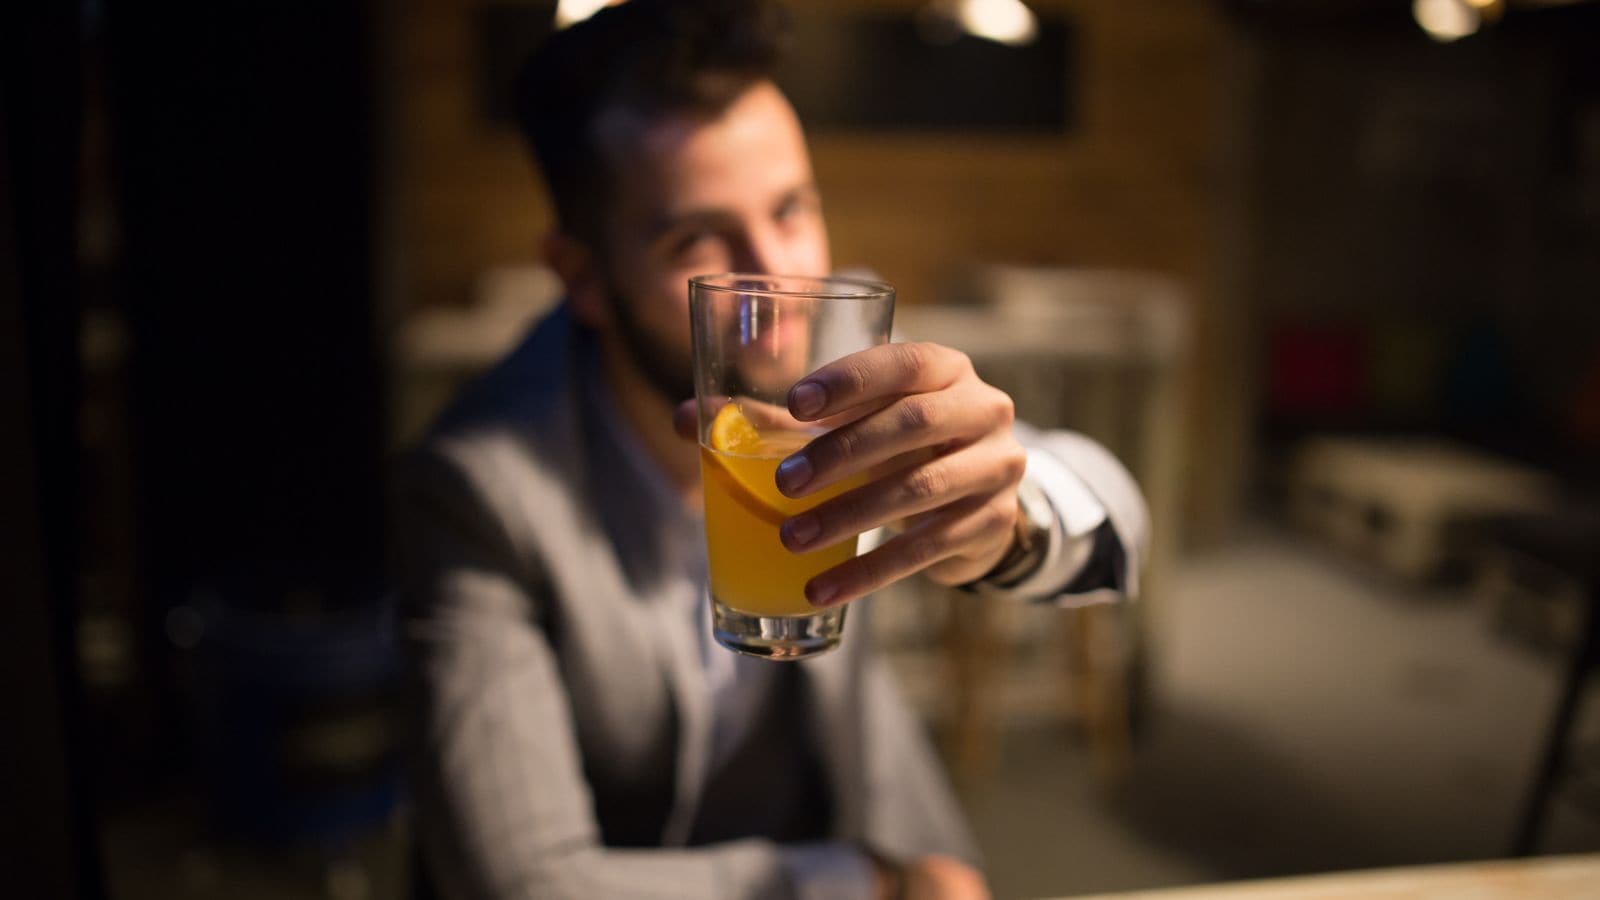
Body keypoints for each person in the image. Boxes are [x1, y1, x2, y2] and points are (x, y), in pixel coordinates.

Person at [397, 2, 1148, 898]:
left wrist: (1011, 523)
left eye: (792, 209)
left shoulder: (833, 356)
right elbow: (520, 886)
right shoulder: (478, 485)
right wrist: (862, 884)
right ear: (583, 278)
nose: (779, 282)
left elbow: (1119, 522)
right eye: (700, 239)